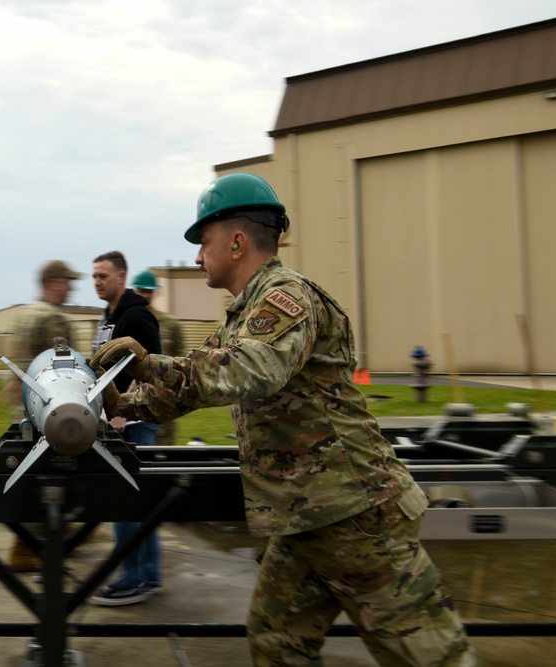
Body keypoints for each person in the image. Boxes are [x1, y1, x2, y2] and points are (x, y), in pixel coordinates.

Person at [91, 173, 477, 665]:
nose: (195, 258)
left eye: (202, 242)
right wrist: (123, 403)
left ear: (235, 241)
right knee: (277, 642)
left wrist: (148, 363)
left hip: (355, 516)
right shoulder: (244, 313)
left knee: (429, 655)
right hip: (308, 518)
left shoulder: (285, 296)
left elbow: (254, 369)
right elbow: (196, 381)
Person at [90, 251, 163, 607]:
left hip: (134, 421)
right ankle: (148, 574)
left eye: (103, 276)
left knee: (125, 503)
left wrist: (122, 412)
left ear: (121, 277)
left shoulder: (137, 317)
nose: (97, 282)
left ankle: (134, 576)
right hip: (116, 420)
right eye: (94, 276)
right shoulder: (110, 315)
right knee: (137, 503)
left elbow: (151, 369)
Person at [5, 259, 81, 572]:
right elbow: (67, 367)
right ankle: (26, 550)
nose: (71, 288)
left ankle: (59, 530)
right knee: (51, 477)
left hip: (24, 407)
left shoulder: (26, 314)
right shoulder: (54, 320)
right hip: (49, 410)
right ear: (54, 282)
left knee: (34, 475)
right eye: (68, 281)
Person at [131, 269, 185, 446]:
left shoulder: (171, 325)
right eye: (141, 291)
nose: (145, 296)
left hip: (163, 402)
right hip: (134, 402)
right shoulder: (128, 322)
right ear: (135, 291)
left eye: (148, 291)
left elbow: (182, 364)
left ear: (155, 292)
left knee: (163, 454)